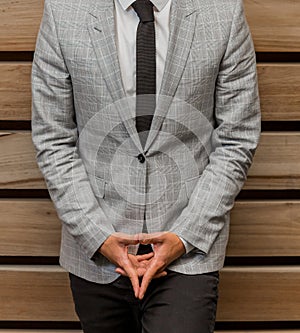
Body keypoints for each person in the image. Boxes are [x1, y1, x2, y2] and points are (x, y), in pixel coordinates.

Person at [31, 0, 261, 332]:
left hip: (189, 249)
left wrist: (185, 236)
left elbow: (238, 138)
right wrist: (98, 236)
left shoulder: (222, 12)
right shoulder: (64, 12)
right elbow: (53, 138)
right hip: (96, 249)